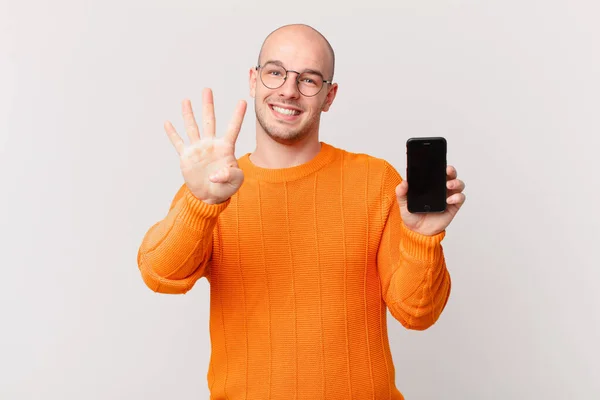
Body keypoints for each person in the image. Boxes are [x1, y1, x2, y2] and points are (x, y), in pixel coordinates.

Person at [137, 23, 466, 400]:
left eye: (309, 79)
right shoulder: (214, 186)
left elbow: (417, 313)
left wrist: (422, 238)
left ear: (329, 96)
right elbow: (159, 274)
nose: (289, 90)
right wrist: (201, 205)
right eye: (275, 72)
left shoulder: (376, 181)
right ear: (253, 80)